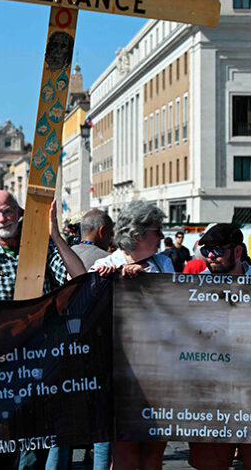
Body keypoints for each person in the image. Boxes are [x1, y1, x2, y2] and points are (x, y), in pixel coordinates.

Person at [0, 191, 85, 470]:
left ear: (19, 213)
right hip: (2, 375)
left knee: (34, 458)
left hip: (42, 371)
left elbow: (80, 278)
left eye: (7, 211)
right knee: (2, 456)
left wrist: (54, 235)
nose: (2, 218)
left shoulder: (43, 252)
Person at [90, 200, 172, 470]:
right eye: (157, 231)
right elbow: (87, 311)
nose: (162, 236)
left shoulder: (164, 264)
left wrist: (146, 277)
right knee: (124, 457)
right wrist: (104, 282)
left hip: (160, 373)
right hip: (121, 376)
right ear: (137, 235)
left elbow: (176, 302)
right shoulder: (106, 264)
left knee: (153, 456)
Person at [189, 224, 251, 470]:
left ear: (238, 252)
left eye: (216, 250)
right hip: (212, 391)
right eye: (205, 250)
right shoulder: (194, 285)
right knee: (209, 464)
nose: (209, 256)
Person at [50, 207, 113, 470]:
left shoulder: (58, 259)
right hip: (100, 350)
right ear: (102, 232)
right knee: (102, 425)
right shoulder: (110, 261)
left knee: (60, 426)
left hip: (64, 349)